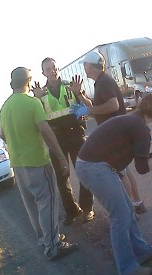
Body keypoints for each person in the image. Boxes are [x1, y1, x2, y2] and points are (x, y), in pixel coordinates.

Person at [75, 93, 152, 275]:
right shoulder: (140, 128)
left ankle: (142, 251)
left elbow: (142, 156)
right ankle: (127, 267)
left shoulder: (133, 120)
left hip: (93, 164)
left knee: (128, 210)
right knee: (120, 216)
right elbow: (143, 167)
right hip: (94, 167)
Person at [0, 67, 76, 261]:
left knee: (32, 206)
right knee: (47, 202)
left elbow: (3, 135)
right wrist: (59, 156)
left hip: (17, 163)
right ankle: (53, 246)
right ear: (28, 81)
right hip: (36, 161)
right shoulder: (32, 103)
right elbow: (46, 132)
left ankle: (45, 239)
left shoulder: (5, 107)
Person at [71, 50, 147, 214]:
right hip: (119, 133)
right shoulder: (101, 82)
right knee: (125, 170)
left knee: (119, 172)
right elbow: (95, 106)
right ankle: (137, 202)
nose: (83, 68)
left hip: (115, 136)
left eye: (84, 65)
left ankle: (128, 208)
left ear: (90, 67)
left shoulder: (103, 82)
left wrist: (88, 111)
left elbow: (113, 105)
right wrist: (80, 95)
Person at [32, 57, 94, 224]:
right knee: (61, 177)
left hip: (75, 134)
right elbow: (37, 118)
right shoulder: (40, 93)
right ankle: (72, 211)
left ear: (57, 68)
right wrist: (36, 99)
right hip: (55, 139)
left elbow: (88, 107)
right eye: (47, 69)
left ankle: (87, 209)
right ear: (43, 72)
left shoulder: (70, 86)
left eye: (54, 67)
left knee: (84, 172)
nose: (52, 71)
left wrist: (79, 92)